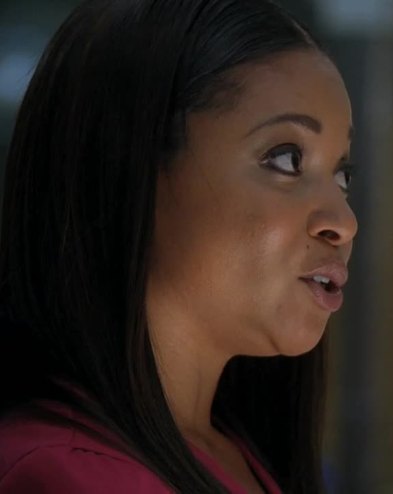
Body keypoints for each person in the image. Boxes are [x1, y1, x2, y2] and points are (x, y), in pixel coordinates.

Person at [0, 0, 357, 492]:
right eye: (286, 159)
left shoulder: (237, 452)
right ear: (130, 172)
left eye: (342, 175)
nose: (343, 222)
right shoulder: (68, 475)